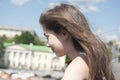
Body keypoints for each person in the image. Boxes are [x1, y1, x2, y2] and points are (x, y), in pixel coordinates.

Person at [39, 3, 115, 80]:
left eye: (47, 37)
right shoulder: (89, 61)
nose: (47, 44)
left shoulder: (77, 67)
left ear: (64, 34)